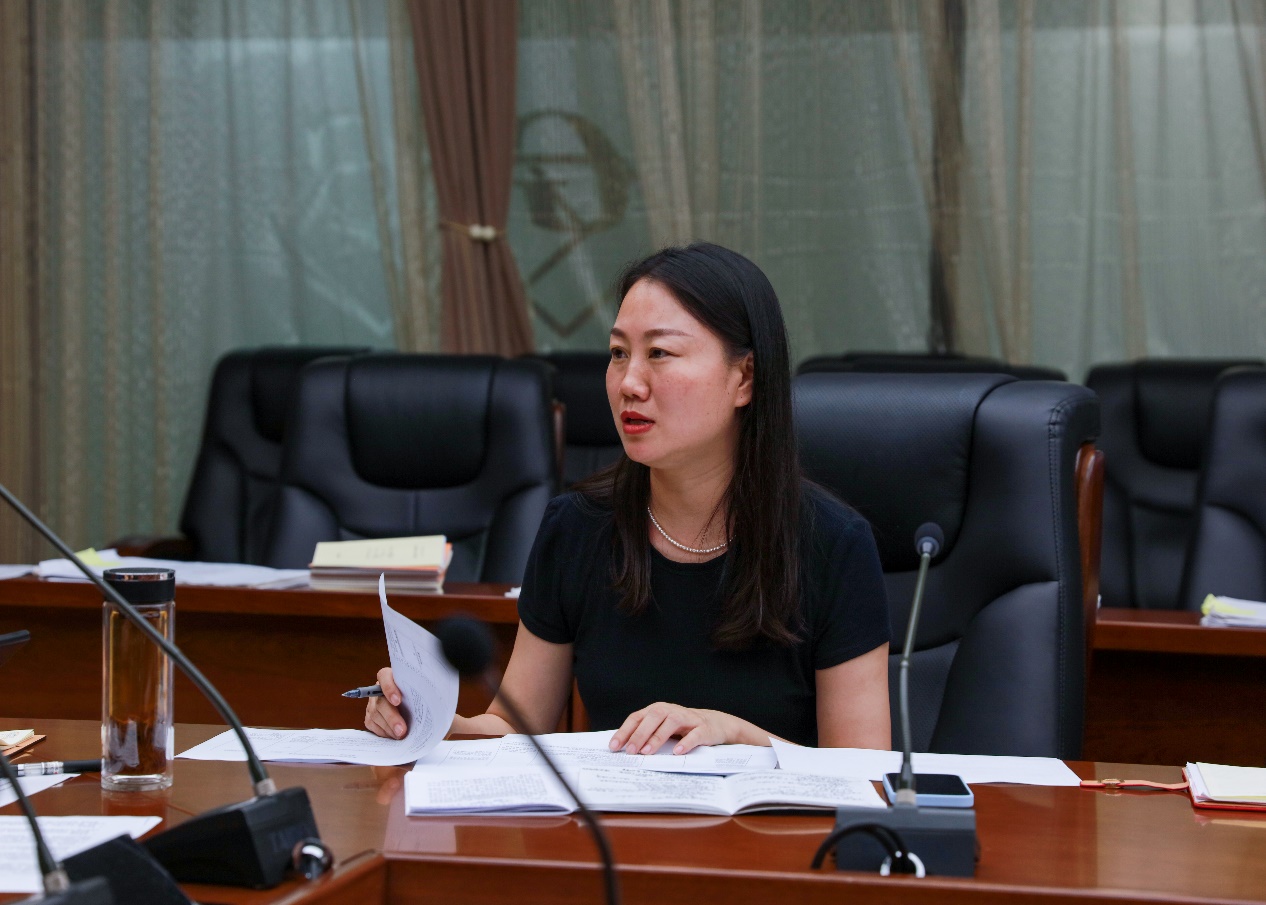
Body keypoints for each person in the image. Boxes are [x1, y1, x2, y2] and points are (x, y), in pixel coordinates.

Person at [366, 242, 891, 753]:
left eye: (659, 353)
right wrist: (431, 723)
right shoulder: (576, 527)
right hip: (613, 815)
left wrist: (738, 736)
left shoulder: (832, 544)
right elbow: (513, 728)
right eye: (619, 353)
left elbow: (864, 769)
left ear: (745, 378)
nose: (629, 383)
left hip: (772, 817)